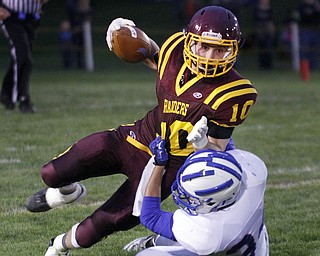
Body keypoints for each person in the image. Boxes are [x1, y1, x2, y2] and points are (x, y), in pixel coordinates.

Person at [25, 6, 258, 255]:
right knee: (51, 173)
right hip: (140, 137)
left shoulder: (236, 92)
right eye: (204, 46)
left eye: (220, 49)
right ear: (190, 42)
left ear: (232, 50)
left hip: (173, 164)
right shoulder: (175, 49)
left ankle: (59, 245)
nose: (210, 56)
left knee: (113, 219)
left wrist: (202, 146)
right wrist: (123, 31)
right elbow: (149, 52)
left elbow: (217, 150)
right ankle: (67, 192)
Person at [123, 135, 269, 255]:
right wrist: (202, 143)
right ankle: (153, 241)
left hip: (217, 242)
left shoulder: (207, 231)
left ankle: (152, 244)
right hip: (256, 245)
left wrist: (159, 164)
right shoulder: (252, 174)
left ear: (212, 202)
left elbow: (150, 216)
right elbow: (221, 154)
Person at [0, 0, 49, 113]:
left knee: (21, 57)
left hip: (31, 17)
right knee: (23, 56)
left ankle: (6, 93)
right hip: (10, 15)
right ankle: (23, 99)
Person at [293, 0, 320, 70]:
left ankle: (313, 68)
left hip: (316, 30)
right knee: (304, 50)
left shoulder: (317, 5)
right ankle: (303, 68)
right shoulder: (301, 6)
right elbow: (295, 17)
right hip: (305, 31)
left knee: (314, 50)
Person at [253, 0, 275, 69]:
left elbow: (271, 20)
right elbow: (255, 20)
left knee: (268, 47)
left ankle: (269, 65)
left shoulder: (270, 9)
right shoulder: (257, 9)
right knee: (261, 47)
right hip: (260, 31)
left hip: (268, 31)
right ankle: (262, 65)